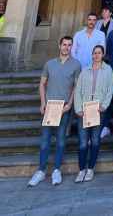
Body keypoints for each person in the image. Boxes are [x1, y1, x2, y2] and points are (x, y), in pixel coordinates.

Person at [28, 36, 81, 187]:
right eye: (64, 44)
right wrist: (42, 103)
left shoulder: (76, 65)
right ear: (59, 46)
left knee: (61, 140)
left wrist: (70, 104)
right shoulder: (49, 64)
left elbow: (76, 87)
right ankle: (41, 170)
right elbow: (42, 84)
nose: (67, 47)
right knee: (45, 141)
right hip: (49, 106)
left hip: (63, 107)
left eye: (70, 45)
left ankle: (57, 170)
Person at [74, 45, 113, 183]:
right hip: (84, 109)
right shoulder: (85, 70)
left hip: (98, 110)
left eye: (99, 53)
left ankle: (90, 168)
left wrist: (104, 106)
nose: (96, 55)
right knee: (83, 142)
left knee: (95, 140)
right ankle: (81, 169)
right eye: (94, 53)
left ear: (103, 55)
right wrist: (78, 108)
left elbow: (110, 90)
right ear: (92, 55)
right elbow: (78, 90)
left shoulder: (108, 70)